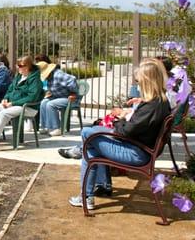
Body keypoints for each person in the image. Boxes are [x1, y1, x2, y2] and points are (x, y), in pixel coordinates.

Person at [68, 58, 172, 210]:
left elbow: (126, 131)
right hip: (139, 147)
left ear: (148, 81)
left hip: (136, 154)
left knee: (87, 134)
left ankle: (86, 195)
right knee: (91, 142)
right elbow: (133, 127)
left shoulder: (152, 106)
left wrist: (119, 119)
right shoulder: (159, 102)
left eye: (140, 81)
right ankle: (87, 196)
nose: (138, 84)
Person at [0, 55, 44, 152]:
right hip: (13, 105)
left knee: (4, 113)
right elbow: (10, 89)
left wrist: (13, 103)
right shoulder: (19, 77)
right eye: (17, 65)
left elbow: (32, 98)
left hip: (28, 107)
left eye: (21, 65)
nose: (18, 67)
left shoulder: (35, 80)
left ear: (28, 66)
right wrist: (5, 98)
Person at [37, 60, 78, 136]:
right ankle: (45, 126)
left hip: (69, 98)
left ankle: (56, 128)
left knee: (50, 104)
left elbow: (72, 79)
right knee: (44, 102)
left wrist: (73, 93)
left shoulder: (58, 75)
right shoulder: (49, 77)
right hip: (58, 97)